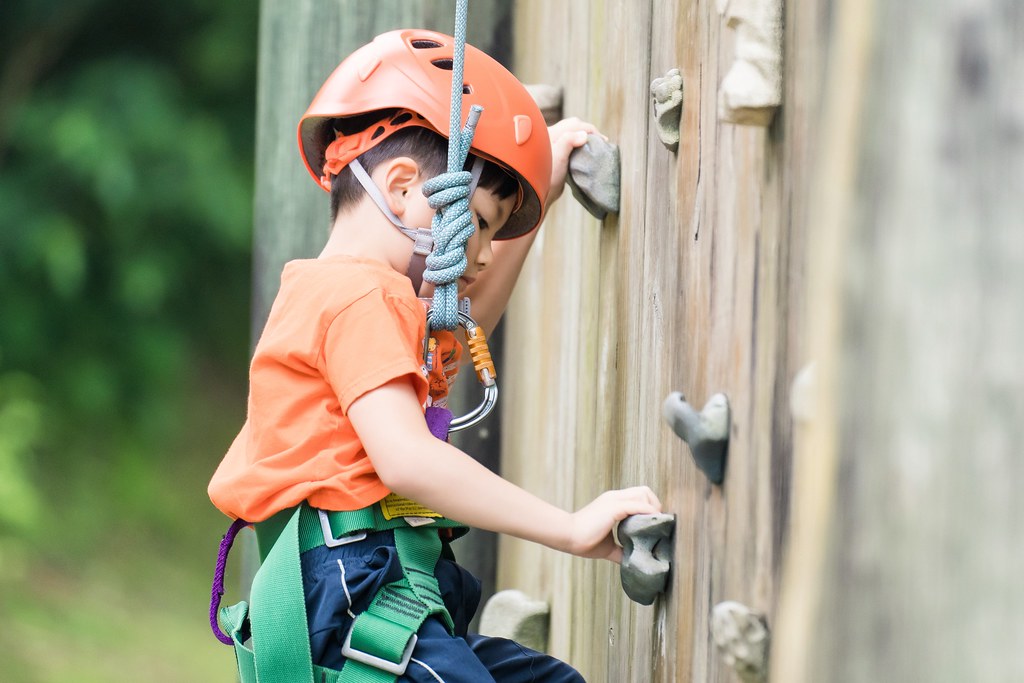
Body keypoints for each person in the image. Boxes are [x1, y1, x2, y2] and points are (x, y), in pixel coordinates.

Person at [209, 29, 662, 682]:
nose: (479, 254)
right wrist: (568, 527)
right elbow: (407, 458)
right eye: (477, 222)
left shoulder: (355, 297)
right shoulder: (361, 295)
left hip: (381, 590)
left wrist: (542, 184)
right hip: (352, 591)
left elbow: (470, 314)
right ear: (400, 188)